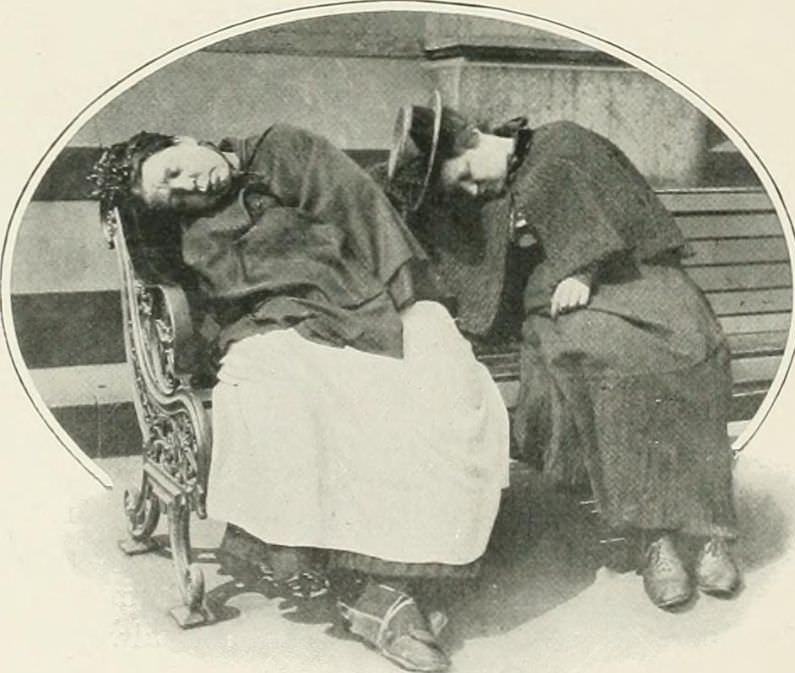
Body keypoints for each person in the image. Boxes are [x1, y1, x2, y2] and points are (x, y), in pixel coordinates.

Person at [89, 122, 511, 671]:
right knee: (287, 393)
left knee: (442, 383)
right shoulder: (192, 230)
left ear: (182, 140)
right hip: (272, 324)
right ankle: (374, 586)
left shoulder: (284, 152)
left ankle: (389, 584)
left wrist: (404, 309)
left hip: (373, 298)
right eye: (175, 196)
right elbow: (202, 297)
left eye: (176, 170)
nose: (191, 186)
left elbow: (366, 215)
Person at [379, 92, 741, 610]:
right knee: (604, 364)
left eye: (464, 175)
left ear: (472, 138)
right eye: (459, 189)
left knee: (686, 352)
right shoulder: (492, 195)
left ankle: (709, 532)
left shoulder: (566, 143)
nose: (472, 189)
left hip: (638, 279)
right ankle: (652, 536)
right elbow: (457, 246)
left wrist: (586, 266)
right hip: (563, 309)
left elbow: (626, 210)